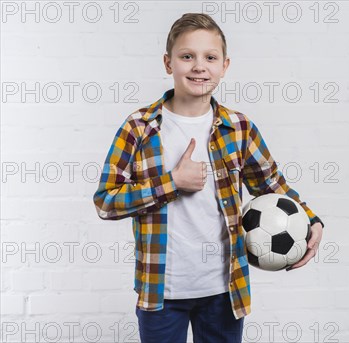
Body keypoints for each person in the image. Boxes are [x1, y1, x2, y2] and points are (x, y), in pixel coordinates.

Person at [92, 13, 324, 343]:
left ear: (224, 66)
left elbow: (272, 184)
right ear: (168, 63)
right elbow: (106, 202)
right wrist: (171, 182)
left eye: (210, 57)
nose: (199, 66)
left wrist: (312, 220)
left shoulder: (239, 128)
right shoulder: (139, 127)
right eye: (187, 56)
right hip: (161, 292)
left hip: (224, 291)